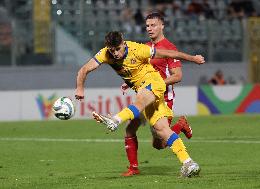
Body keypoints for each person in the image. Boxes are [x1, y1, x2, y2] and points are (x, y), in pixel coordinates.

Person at [75, 31, 205, 177]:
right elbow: (84, 69)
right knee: (161, 132)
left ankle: (115, 120)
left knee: (139, 101)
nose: (116, 53)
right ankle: (189, 163)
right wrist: (80, 88)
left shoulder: (138, 49)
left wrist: (193, 58)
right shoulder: (105, 54)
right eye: (112, 50)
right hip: (144, 90)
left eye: (118, 49)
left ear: (123, 43)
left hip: (154, 82)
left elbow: (169, 53)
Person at [120, 12, 195, 177]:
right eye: (147, 26)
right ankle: (133, 168)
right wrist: (130, 82)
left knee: (159, 144)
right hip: (145, 97)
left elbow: (177, 76)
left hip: (163, 99)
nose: (149, 28)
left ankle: (180, 125)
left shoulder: (169, 48)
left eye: (153, 25)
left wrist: (156, 85)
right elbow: (141, 73)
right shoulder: (146, 48)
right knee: (130, 128)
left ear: (162, 26)